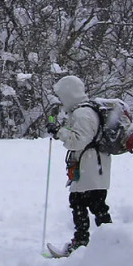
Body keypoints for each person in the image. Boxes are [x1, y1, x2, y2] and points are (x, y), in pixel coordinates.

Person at [51, 75, 113, 253]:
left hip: (91, 168)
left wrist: (59, 132)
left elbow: (77, 141)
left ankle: (88, 243)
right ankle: (97, 242)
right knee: (92, 205)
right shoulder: (86, 110)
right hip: (93, 167)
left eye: (62, 96)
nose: (62, 101)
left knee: (89, 205)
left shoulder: (82, 113)